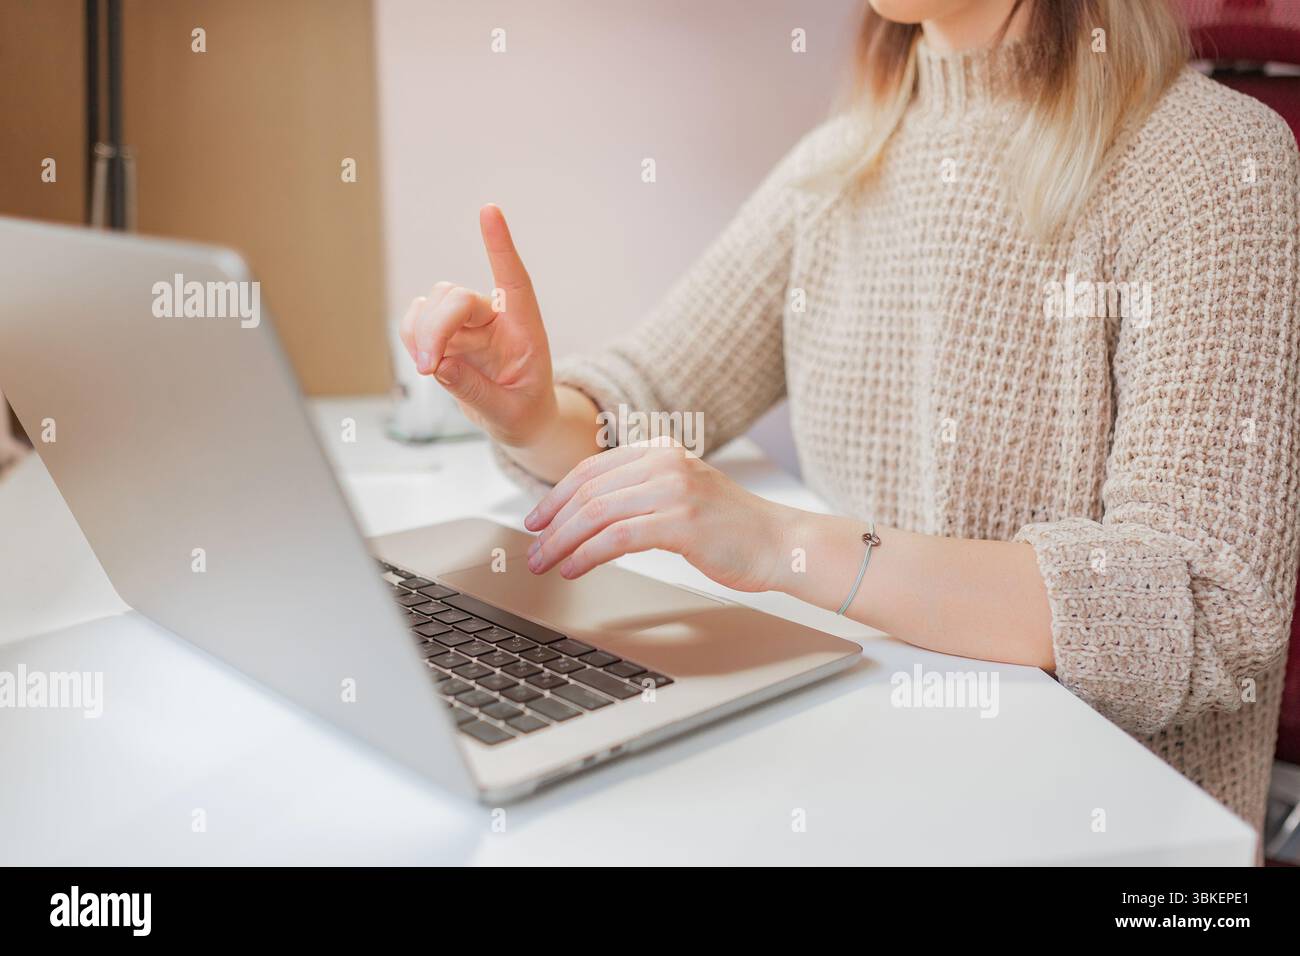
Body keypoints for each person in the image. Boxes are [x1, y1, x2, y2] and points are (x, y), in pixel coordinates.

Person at [399, 0, 1300, 836]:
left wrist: (780, 542)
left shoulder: (1216, 165)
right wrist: (528, 413)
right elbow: (648, 397)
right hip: (868, 778)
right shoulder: (840, 164)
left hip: (1093, 831)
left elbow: (1203, 607)